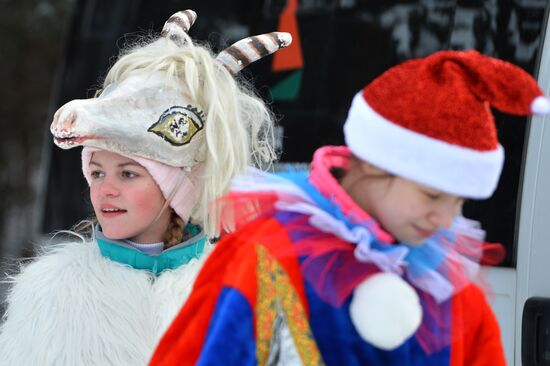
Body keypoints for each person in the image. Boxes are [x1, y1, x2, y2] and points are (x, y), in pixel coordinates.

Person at [149, 50, 550, 365]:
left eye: (459, 201)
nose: (445, 219)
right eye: (432, 195)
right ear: (375, 162)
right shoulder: (267, 256)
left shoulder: (452, 294)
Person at [0, 10, 291, 365]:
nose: (105, 189)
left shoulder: (240, 289)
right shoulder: (47, 294)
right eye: (96, 172)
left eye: (128, 174)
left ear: (183, 181)